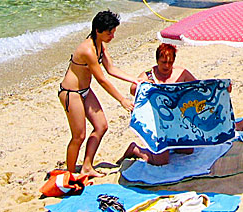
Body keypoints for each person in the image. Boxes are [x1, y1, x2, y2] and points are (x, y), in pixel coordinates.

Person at [58, 11, 138, 178]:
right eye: (110, 32)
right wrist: (122, 100)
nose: (112, 36)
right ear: (98, 30)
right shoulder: (88, 50)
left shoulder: (101, 44)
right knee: (78, 136)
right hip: (71, 93)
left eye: (113, 32)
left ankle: (87, 166)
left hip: (85, 91)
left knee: (101, 126)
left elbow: (111, 69)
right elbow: (101, 79)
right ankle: (70, 174)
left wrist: (137, 80)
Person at [123, 44, 196, 165]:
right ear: (157, 61)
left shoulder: (181, 73)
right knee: (161, 161)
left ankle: (170, 144)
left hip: (176, 120)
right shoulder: (149, 75)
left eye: (170, 62)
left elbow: (199, 88)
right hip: (157, 123)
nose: (167, 66)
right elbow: (132, 90)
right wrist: (143, 84)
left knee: (188, 150)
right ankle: (135, 149)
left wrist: (223, 88)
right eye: (163, 62)